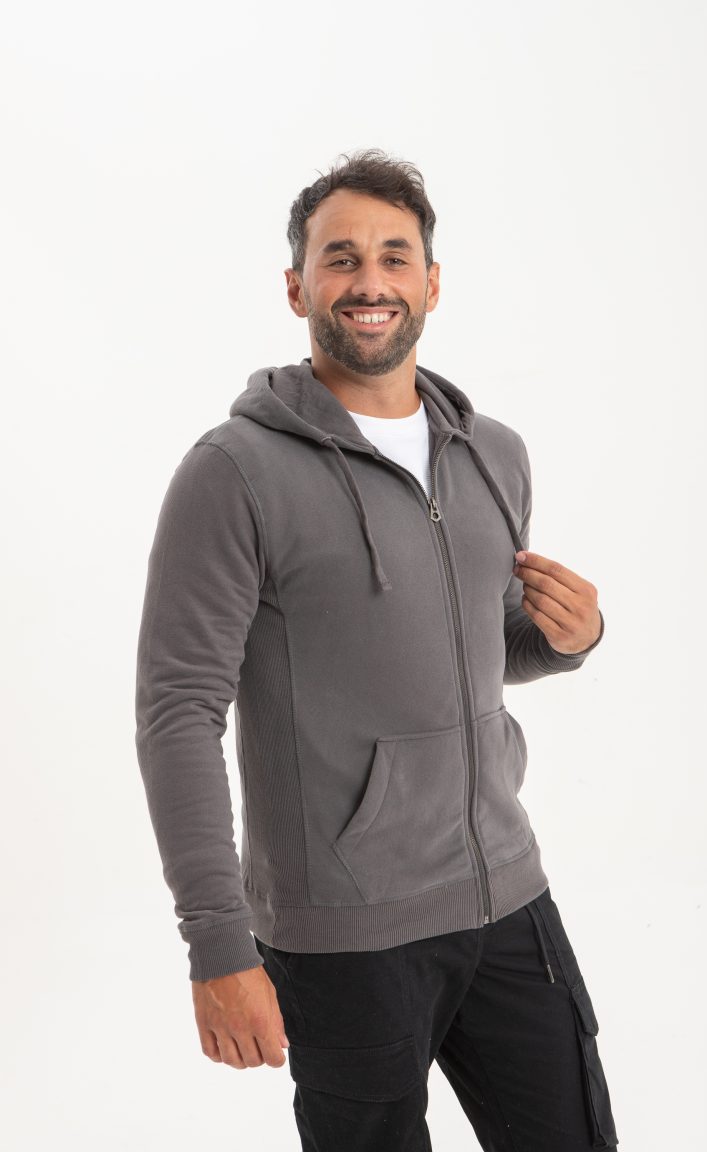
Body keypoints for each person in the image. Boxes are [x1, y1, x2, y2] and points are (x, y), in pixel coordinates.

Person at [134, 148, 619, 1151]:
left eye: (395, 257)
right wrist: (217, 945)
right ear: (297, 286)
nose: (370, 281)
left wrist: (565, 641)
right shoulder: (234, 472)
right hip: (344, 932)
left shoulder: (494, 453)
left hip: (507, 891)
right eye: (341, 258)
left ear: (432, 284)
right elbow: (179, 712)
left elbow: (480, 644)